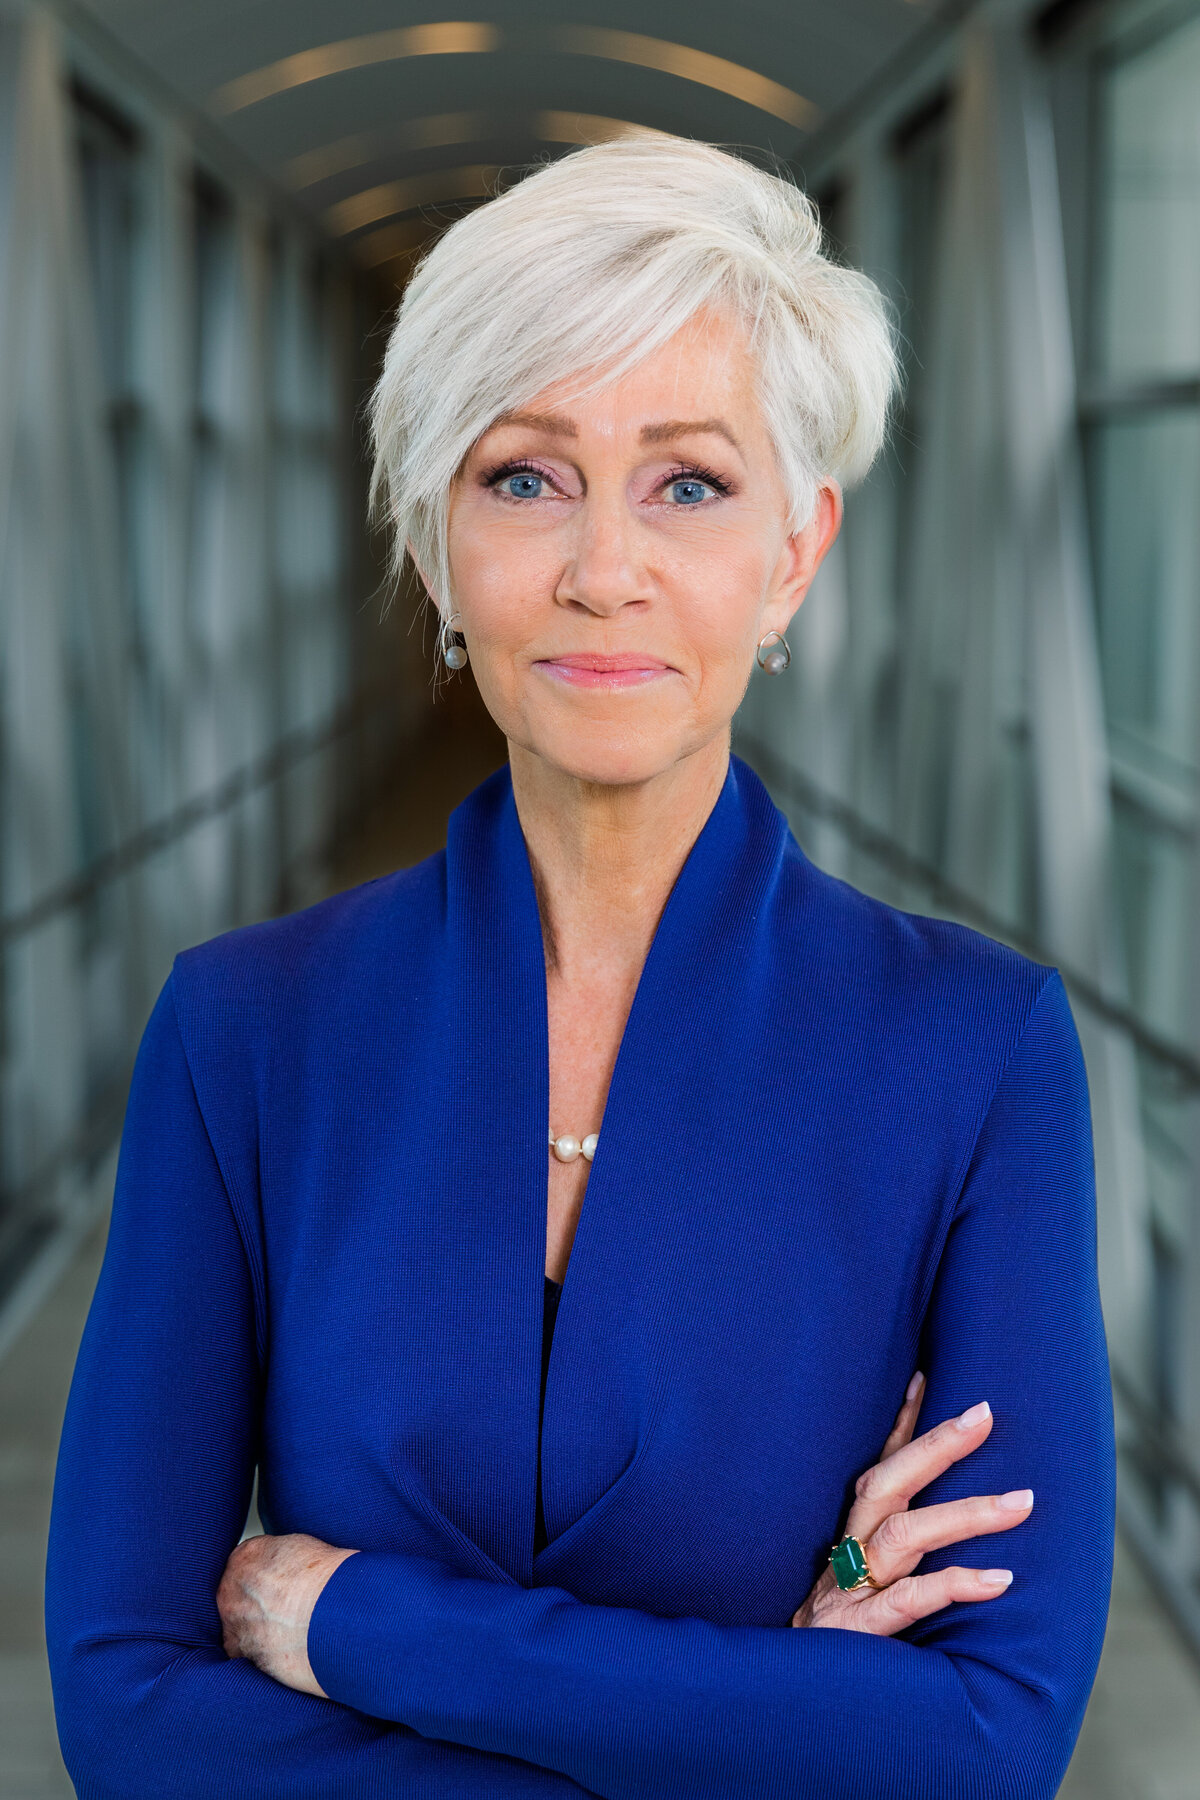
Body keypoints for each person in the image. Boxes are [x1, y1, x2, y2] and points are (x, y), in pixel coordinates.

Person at [45, 135, 1114, 1799]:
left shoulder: (972, 1053)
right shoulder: (245, 1033)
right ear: (433, 550)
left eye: (689, 483)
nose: (603, 568)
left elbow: (986, 1746)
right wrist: (773, 1714)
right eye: (522, 477)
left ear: (797, 555)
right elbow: (123, 1715)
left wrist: (348, 1624)